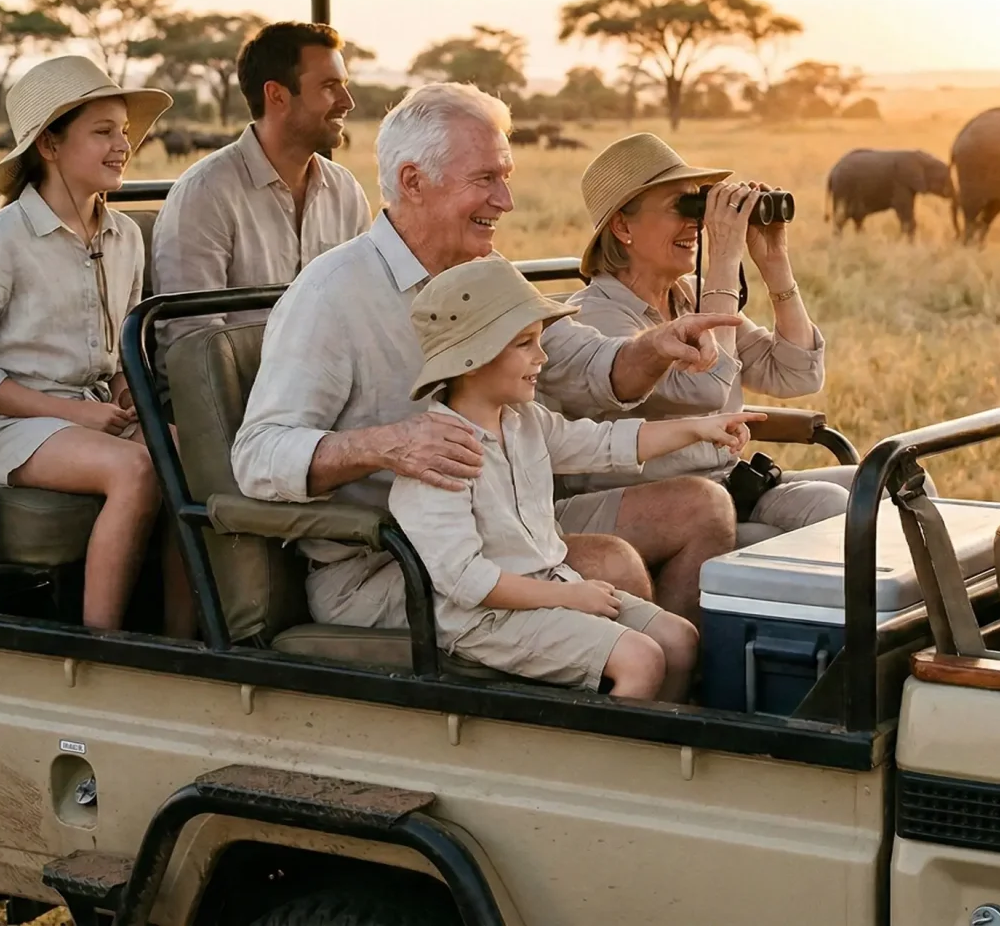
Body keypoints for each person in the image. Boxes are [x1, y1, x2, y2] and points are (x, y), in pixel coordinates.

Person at [231, 83, 744, 630]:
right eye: (485, 179)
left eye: (506, 177)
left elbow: (584, 365)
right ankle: (637, 696)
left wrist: (655, 346)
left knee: (703, 506)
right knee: (610, 567)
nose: (506, 201)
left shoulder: (487, 272)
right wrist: (386, 446)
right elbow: (257, 457)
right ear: (413, 181)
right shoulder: (331, 295)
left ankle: (679, 689)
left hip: (509, 519)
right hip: (394, 556)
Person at [390, 256, 762, 698]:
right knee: (642, 660)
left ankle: (657, 756)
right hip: (483, 621)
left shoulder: (524, 422)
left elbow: (605, 443)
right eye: (525, 343)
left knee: (680, 642)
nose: (541, 357)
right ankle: (603, 765)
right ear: (473, 358)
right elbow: (468, 583)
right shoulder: (439, 455)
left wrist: (699, 428)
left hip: (552, 588)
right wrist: (570, 597)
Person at [0, 55, 191, 634]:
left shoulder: (124, 235)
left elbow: (124, 347)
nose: (122, 145)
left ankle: (185, 645)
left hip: (89, 413)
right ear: (49, 144)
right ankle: (101, 645)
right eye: (103, 132)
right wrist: (73, 413)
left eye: (124, 131)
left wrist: (128, 393)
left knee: (183, 449)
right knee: (136, 470)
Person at [563, 133, 848, 554]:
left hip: (730, 483)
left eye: (698, 203)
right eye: (682, 207)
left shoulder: (687, 298)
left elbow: (796, 374)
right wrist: (725, 260)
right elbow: (706, 386)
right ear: (623, 226)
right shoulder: (593, 318)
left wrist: (774, 262)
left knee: (897, 483)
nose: (696, 222)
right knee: (831, 516)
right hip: (658, 512)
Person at [150, 21, 367, 362]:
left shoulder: (345, 191)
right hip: (238, 401)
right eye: (329, 87)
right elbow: (194, 346)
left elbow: (363, 312)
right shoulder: (204, 195)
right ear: (277, 95)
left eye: (344, 86)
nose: (347, 102)